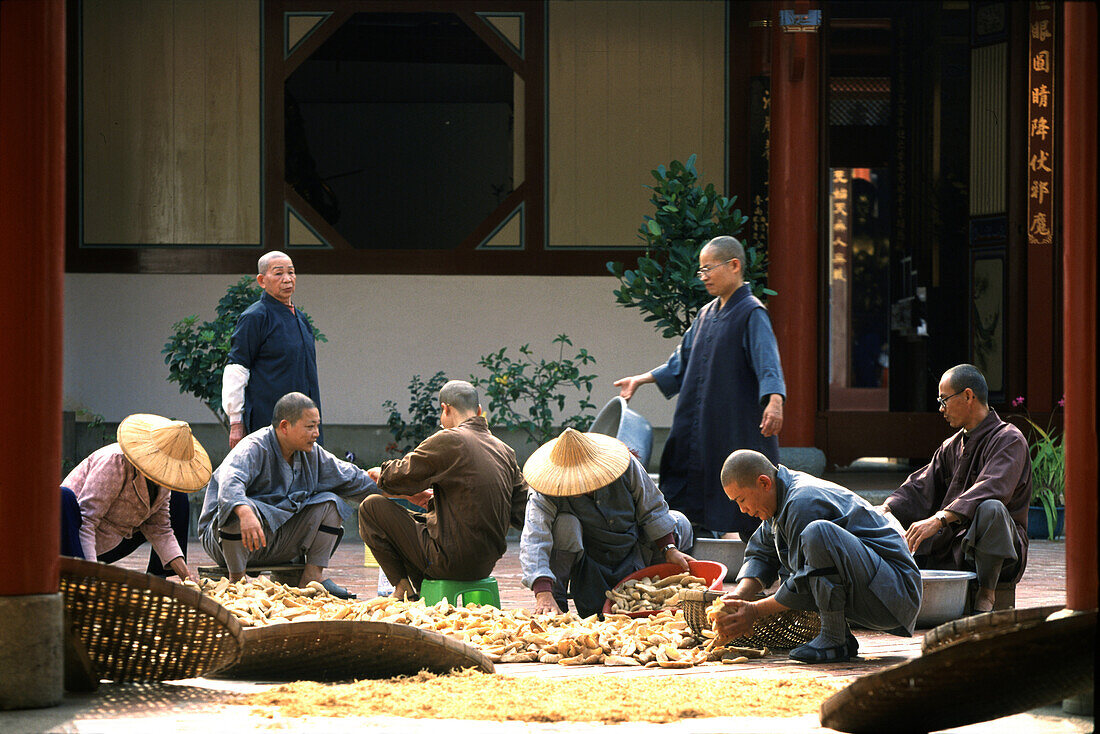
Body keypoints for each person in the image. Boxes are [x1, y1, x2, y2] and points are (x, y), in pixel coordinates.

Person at [614, 235, 786, 539]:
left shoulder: (751, 312)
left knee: (745, 495)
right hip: (700, 425)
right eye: (701, 270)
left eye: (709, 268)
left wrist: (775, 400)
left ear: (734, 265)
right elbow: (680, 363)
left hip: (733, 425)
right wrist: (641, 379)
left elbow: (767, 362)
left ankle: (759, 567)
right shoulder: (706, 314)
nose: (703, 276)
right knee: (687, 483)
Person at [713, 450, 921, 664]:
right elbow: (761, 553)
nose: (743, 510)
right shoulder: (778, 499)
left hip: (896, 592)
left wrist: (754, 611)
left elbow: (803, 580)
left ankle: (834, 639)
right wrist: (738, 598)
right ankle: (840, 637)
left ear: (764, 483)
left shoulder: (802, 501)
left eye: (742, 500)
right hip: (877, 588)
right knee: (800, 551)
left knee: (818, 534)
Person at [358, 380, 529, 601]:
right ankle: (413, 588)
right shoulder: (504, 450)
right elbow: (520, 512)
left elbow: (400, 477)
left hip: (448, 561)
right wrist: (433, 502)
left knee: (372, 508)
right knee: (421, 519)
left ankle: (403, 589)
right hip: (484, 565)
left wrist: (383, 474)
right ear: (478, 411)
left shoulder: (450, 439)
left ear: (445, 408)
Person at [882, 364, 1031, 613]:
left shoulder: (1009, 439)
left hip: (1000, 552)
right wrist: (886, 508)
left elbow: (992, 487)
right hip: (954, 547)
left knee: (991, 508)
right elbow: (920, 486)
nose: (941, 409)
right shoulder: (951, 445)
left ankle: (987, 592)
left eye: (944, 400)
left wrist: (939, 520)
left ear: (968, 396)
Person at [198, 392, 376, 598]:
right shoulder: (253, 446)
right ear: (284, 426)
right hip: (227, 543)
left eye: (317, 426)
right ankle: (237, 583)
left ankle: (310, 580)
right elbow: (230, 482)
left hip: (277, 540)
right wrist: (244, 511)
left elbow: (351, 478)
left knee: (331, 504)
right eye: (310, 427)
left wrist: (401, 488)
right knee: (237, 508)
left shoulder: (312, 454)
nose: (316, 433)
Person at [519, 428, 695, 618]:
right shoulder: (546, 489)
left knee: (680, 521)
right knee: (565, 524)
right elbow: (534, 539)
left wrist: (669, 548)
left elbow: (653, 508)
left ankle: (665, 597)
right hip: (590, 563)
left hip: (634, 550)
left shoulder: (627, 466)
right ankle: (555, 602)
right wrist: (543, 591)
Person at [61, 414, 212, 582]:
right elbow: (86, 522)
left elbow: (160, 528)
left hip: (118, 537)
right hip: (78, 546)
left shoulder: (165, 478)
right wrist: (91, 576)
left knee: (178, 498)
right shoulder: (114, 462)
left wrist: (188, 578)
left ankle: (158, 578)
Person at [223, 251, 322, 449]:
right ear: (262, 280)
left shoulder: (301, 319)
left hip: (304, 419)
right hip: (268, 418)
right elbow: (237, 368)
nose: (287, 279)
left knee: (306, 475)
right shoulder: (255, 317)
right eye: (278, 274)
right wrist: (236, 422)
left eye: (291, 273)